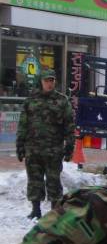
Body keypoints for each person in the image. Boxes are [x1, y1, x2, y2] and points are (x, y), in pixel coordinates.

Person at [16, 68, 75, 219]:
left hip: (53, 150)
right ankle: (36, 210)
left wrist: (69, 147)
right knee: (34, 180)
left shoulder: (62, 101)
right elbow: (23, 125)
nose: (49, 83)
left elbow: (69, 126)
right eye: (46, 80)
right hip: (33, 149)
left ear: (55, 82)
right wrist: (20, 145)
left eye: (52, 80)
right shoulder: (30, 101)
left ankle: (55, 211)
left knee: (53, 180)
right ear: (41, 81)